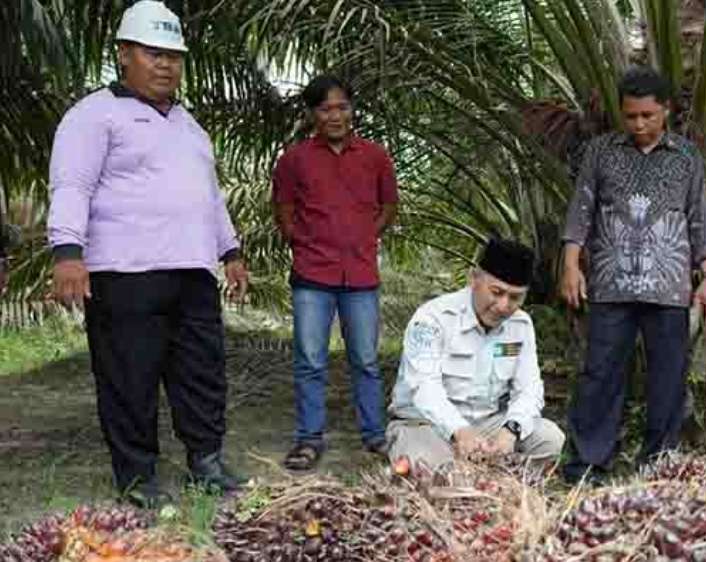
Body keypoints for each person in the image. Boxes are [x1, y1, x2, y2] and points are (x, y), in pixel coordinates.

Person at [47, 0, 248, 507]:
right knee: (128, 379)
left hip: (193, 274)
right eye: (153, 53)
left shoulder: (190, 126)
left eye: (174, 56)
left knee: (202, 374)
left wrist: (231, 250)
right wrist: (68, 252)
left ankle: (205, 463)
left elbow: (209, 195)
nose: (165, 65)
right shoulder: (94, 114)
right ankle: (138, 479)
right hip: (124, 275)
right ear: (123, 55)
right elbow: (71, 184)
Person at [560, 67, 706, 484]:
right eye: (630, 116)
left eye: (648, 115)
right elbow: (581, 210)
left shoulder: (686, 157)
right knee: (600, 372)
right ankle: (588, 464)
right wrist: (570, 264)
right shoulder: (601, 151)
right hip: (610, 284)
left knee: (668, 377)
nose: (639, 124)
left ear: (665, 110)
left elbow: (698, 220)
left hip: (669, 287)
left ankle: (659, 466)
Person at [272, 74, 399, 470]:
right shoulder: (295, 160)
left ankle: (375, 436)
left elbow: (389, 206)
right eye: (326, 108)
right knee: (311, 360)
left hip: (360, 276)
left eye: (342, 106)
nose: (335, 115)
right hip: (312, 276)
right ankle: (309, 439)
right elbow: (284, 211)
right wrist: (305, 243)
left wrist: (364, 237)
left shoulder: (376, 156)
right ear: (312, 114)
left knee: (365, 359)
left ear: (352, 109)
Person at [386, 238, 565, 471]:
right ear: (474, 278)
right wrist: (459, 431)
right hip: (424, 423)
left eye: (515, 297)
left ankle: (496, 482)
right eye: (497, 292)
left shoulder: (521, 325)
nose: (503, 306)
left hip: (486, 423)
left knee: (550, 440)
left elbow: (529, 388)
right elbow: (424, 388)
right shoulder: (433, 319)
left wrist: (510, 430)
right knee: (433, 468)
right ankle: (464, 474)